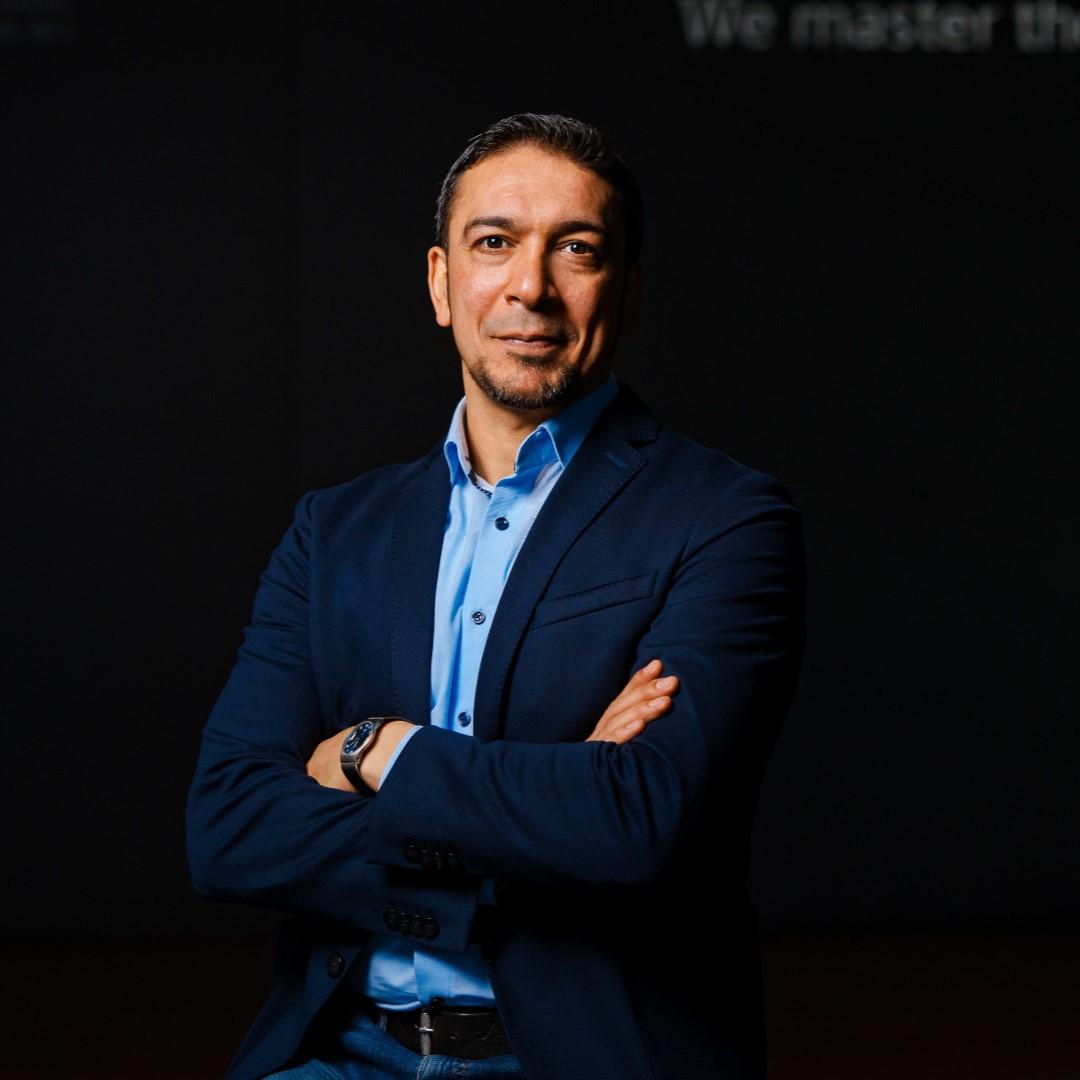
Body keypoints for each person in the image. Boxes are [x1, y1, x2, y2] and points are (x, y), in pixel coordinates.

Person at [186, 112, 806, 1080]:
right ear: (442, 283)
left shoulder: (727, 520)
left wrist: (376, 751)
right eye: (494, 243)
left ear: (628, 290)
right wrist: (533, 825)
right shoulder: (335, 530)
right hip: (338, 1057)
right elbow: (226, 829)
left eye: (578, 250)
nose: (531, 287)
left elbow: (638, 821)